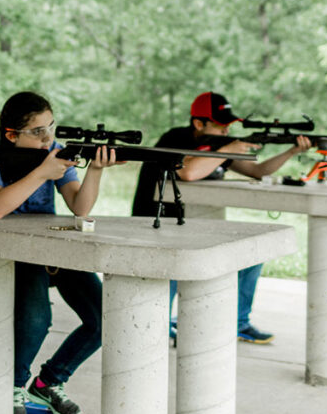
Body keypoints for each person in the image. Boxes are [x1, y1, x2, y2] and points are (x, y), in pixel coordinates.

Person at [0, 91, 117, 414]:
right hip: (9, 250)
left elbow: (80, 207)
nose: (48, 138)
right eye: (37, 132)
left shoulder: (54, 151)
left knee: (105, 317)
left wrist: (95, 169)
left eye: (50, 127)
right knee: (37, 319)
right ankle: (10, 386)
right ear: (12, 135)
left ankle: (48, 381)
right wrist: (42, 172)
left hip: (51, 247)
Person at [131, 91, 312, 343]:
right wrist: (228, 149)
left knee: (251, 254)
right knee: (173, 270)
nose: (227, 131)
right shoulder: (176, 138)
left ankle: (238, 322)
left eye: (228, 126)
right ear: (198, 124)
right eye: (220, 125)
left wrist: (292, 151)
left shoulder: (218, 147)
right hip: (157, 223)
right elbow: (189, 173)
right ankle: (156, 326)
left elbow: (259, 171)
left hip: (195, 222)